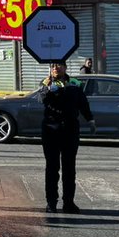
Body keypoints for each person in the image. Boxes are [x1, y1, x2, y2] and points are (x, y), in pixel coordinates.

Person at [40, 61, 94, 213]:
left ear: (65, 67)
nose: (55, 68)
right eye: (53, 66)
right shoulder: (46, 83)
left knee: (69, 168)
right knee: (52, 168)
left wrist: (90, 119)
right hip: (51, 130)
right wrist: (48, 88)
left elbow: (83, 103)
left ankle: (68, 202)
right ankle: (51, 203)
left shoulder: (74, 84)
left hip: (70, 130)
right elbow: (41, 99)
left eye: (59, 65)